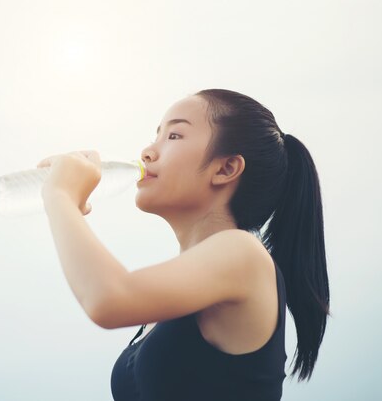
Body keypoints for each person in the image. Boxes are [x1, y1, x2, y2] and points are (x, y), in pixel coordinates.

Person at [38, 88, 330, 401]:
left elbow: (107, 299)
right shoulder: (186, 291)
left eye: (174, 136)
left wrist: (61, 197)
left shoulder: (242, 253)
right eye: (156, 135)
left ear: (226, 168)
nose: (148, 152)